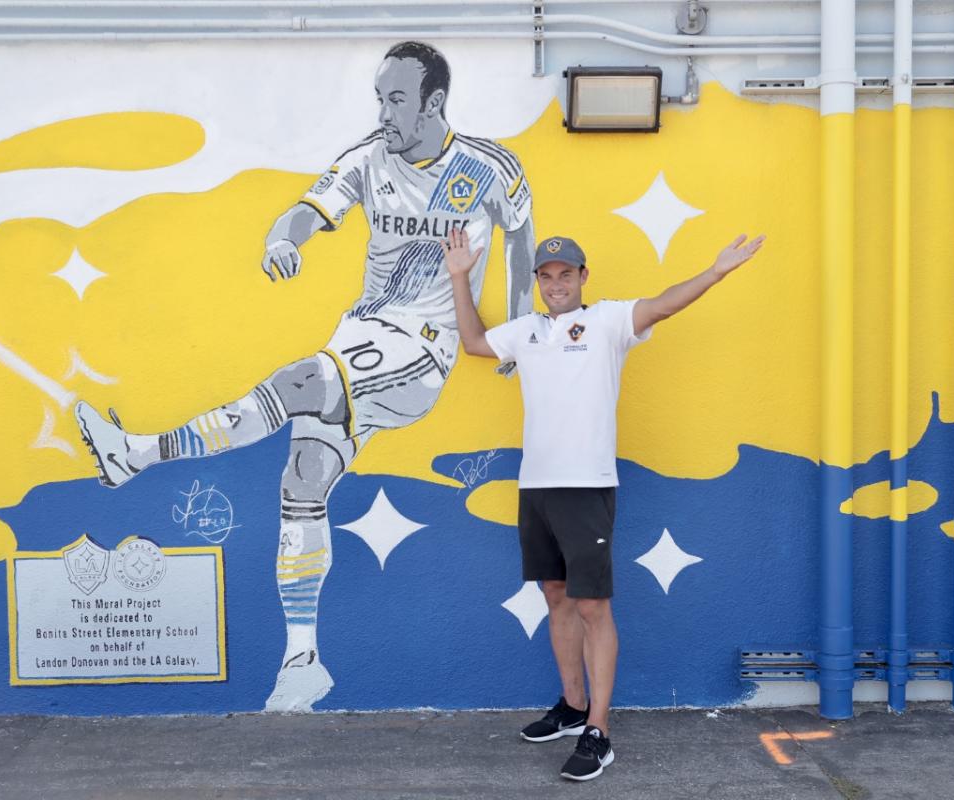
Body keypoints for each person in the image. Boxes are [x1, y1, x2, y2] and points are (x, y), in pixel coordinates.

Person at [74, 41, 536, 712]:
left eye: (396, 99)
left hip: (423, 346)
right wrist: (282, 240)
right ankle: (302, 660)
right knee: (303, 481)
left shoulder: (488, 167)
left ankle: (139, 455)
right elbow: (310, 208)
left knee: (299, 383)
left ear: (434, 102)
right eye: (379, 98)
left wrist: (518, 331)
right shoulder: (367, 157)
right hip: (359, 335)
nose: (383, 112)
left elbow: (522, 241)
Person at [443, 227, 764, 781]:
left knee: (593, 606)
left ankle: (599, 730)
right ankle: (570, 707)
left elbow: (664, 304)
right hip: (536, 486)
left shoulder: (609, 322)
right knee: (556, 594)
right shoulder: (527, 331)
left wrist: (716, 271)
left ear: (583, 277)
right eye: (546, 276)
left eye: (566, 274)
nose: (555, 283)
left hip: (587, 485)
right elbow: (473, 342)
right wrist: (459, 277)